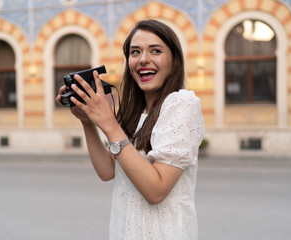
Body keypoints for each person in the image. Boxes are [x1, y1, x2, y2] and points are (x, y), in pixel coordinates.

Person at [56, 19, 205, 240]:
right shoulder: (133, 112)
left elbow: (156, 191)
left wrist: (109, 124)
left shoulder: (182, 103)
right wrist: (88, 122)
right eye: (135, 52)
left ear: (174, 61)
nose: (143, 59)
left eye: (155, 51)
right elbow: (108, 171)